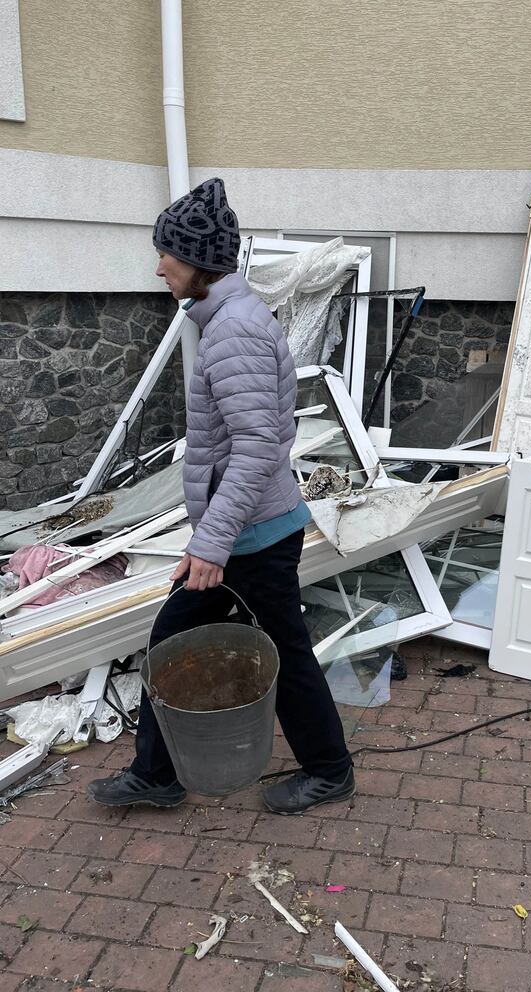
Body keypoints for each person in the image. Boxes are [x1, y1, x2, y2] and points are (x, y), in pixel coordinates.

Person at [88, 178, 354, 814]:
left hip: (252, 538)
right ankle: (159, 774)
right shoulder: (228, 319)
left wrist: (211, 543)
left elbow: (258, 449)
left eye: (167, 254)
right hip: (247, 532)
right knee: (183, 641)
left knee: (272, 649)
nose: (159, 267)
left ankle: (327, 768)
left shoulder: (233, 329)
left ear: (199, 260)